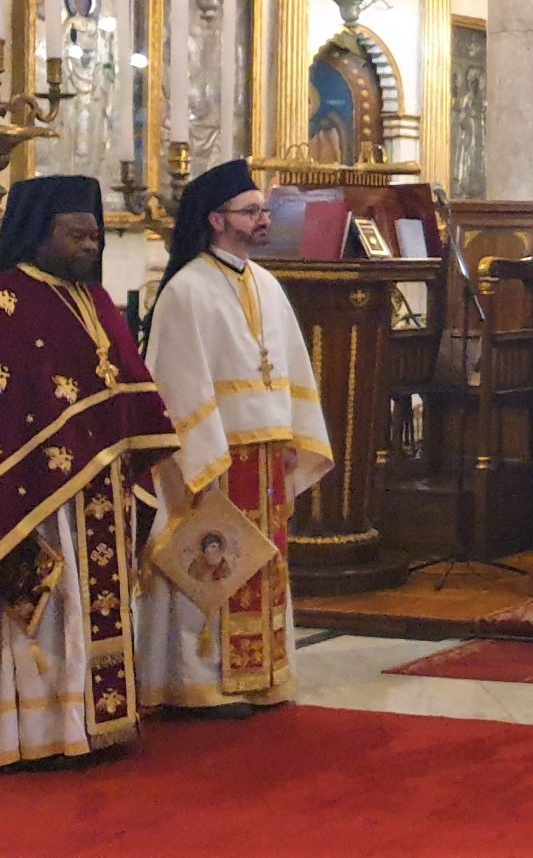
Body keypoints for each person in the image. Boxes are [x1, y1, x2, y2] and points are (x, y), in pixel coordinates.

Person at [0, 177, 177, 769]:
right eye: (76, 235)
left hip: (100, 494)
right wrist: (13, 488)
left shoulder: (96, 300)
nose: (89, 246)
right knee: (46, 614)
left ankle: (94, 726)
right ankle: (38, 734)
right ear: (38, 234)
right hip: (32, 504)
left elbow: (127, 388)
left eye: (94, 236)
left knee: (93, 610)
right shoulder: (0, 302)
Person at [136, 159, 333, 716]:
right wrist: (204, 459)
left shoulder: (266, 284)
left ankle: (264, 674)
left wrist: (291, 437)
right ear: (217, 219)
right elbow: (176, 380)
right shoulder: (186, 289)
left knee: (262, 563)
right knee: (212, 563)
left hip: (266, 457)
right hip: (216, 458)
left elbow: (288, 367)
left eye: (263, 210)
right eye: (251, 211)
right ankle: (200, 684)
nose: (263, 219)